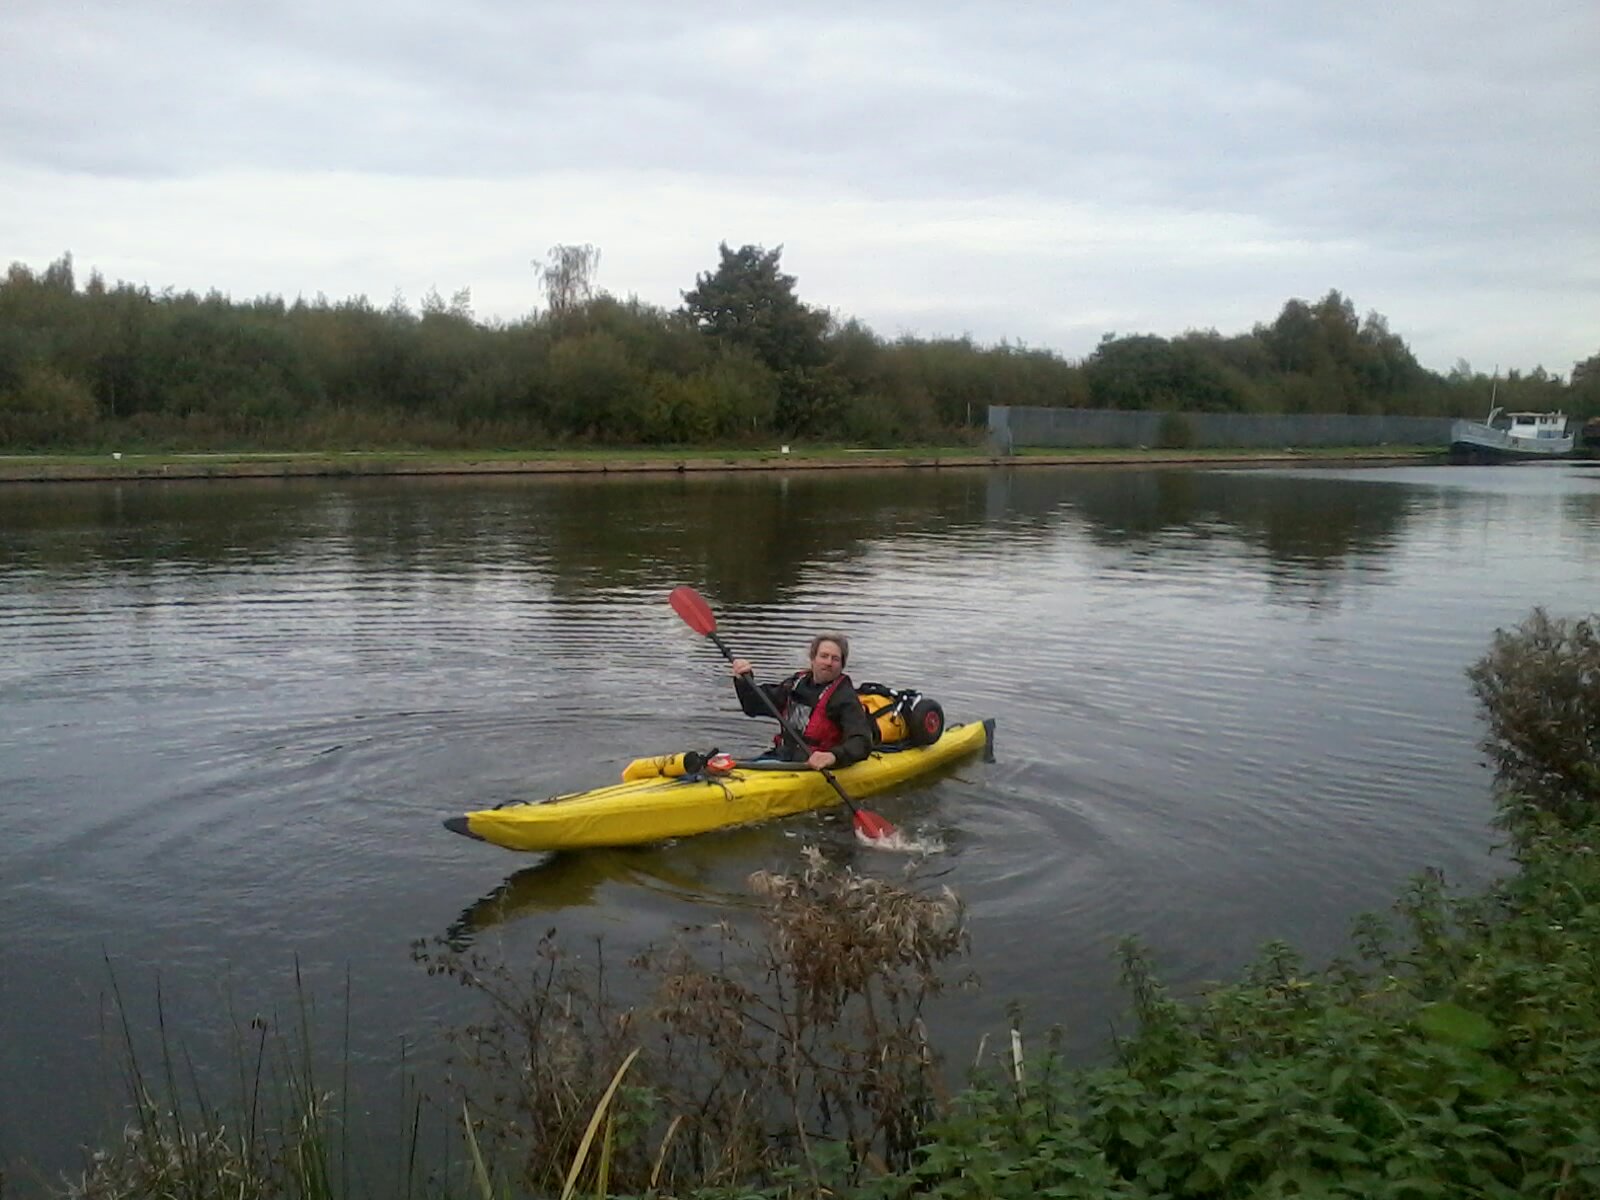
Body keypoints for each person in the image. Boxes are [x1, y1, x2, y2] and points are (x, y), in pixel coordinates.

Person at [730, 633, 874, 770]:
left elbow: (862, 741)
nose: (829, 662)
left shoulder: (844, 697)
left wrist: (833, 756)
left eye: (835, 659)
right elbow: (753, 706)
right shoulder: (796, 683)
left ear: (842, 665)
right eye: (824, 656)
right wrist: (744, 680)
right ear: (813, 659)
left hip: (812, 767)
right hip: (782, 756)